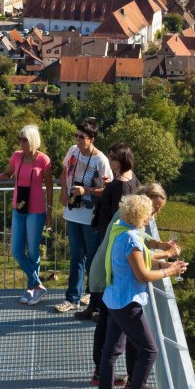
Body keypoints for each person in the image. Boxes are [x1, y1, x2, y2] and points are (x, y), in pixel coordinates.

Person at [83, 183, 180, 389]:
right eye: (154, 207)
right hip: (115, 286)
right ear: (142, 206)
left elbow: (141, 244)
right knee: (137, 343)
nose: (155, 213)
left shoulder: (124, 221)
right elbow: (139, 259)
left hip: (112, 285)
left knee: (113, 340)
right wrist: (168, 267)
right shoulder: (128, 232)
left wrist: (160, 248)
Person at [97, 194, 186, 389]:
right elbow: (143, 274)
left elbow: (141, 260)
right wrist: (170, 271)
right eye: (149, 214)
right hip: (128, 302)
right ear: (140, 216)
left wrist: (167, 264)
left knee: (111, 351)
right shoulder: (131, 239)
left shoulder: (120, 229)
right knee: (149, 350)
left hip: (113, 299)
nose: (151, 218)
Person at [0, 124, 54, 305]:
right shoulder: (17, 156)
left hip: (36, 210)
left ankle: (31, 288)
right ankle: (38, 285)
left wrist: (49, 211)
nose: (21, 142)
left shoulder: (44, 160)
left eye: (24, 139)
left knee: (33, 251)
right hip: (18, 207)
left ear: (33, 140)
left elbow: (49, 186)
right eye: (20, 139)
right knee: (16, 250)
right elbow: (8, 174)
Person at [76, 143, 139, 322]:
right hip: (109, 233)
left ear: (121, 160)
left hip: (109, 235)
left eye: (112, 158)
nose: (109, 160)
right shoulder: (130, 178)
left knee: (97, 269)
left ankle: (99, 309)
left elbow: (118, 215)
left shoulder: (122, 185)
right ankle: (95, 307)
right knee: (98, 268)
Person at [55, 118, 112, 313]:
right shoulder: (73, 150)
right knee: (76, 257)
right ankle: (72, 299)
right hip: (72, 212)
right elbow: (64, 171)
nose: (77, 139)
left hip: (90, 216)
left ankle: (92, 294)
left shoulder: (101, 161)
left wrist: (86, 191)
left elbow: (106, 189)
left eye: (82, 137)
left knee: (92, 259)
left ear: (92, 139)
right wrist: (64, 191)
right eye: (76, 135)